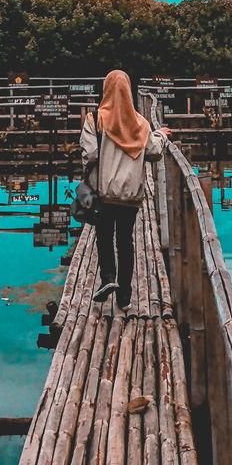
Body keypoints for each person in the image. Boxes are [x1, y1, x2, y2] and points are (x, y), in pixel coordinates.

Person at [80, 69, 171, 310]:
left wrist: (86, 173)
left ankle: (108, 278)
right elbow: (153, 152)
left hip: (104, 192)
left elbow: (89, 155)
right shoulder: (140, 123)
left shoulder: (95, 119)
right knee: (125, 242)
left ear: (106, 89)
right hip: (131, 195)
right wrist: (161, 135)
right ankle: (125, 297)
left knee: (104, 236)